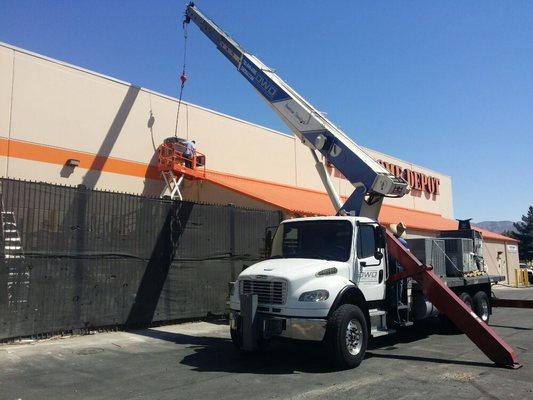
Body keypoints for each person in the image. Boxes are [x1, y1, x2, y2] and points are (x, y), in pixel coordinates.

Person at [389, 222, 409, 306]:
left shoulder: (391, 239)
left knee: (392, 283)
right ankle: (398, 301)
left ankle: (392, 300)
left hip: (390, 263)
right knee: (399, 283)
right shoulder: (403, 242)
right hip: (398, 264)